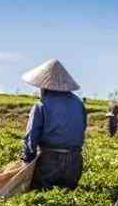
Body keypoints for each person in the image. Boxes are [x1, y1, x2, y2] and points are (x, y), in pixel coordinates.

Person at [20, 59, 87, 190]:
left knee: (41, 197)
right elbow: (82, 129)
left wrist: (27, 159)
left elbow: (31, 137)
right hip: (75, 161)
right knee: (66, 199)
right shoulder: (79, 104)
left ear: (44, 86)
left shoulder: (41, 105)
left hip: (50, 160)